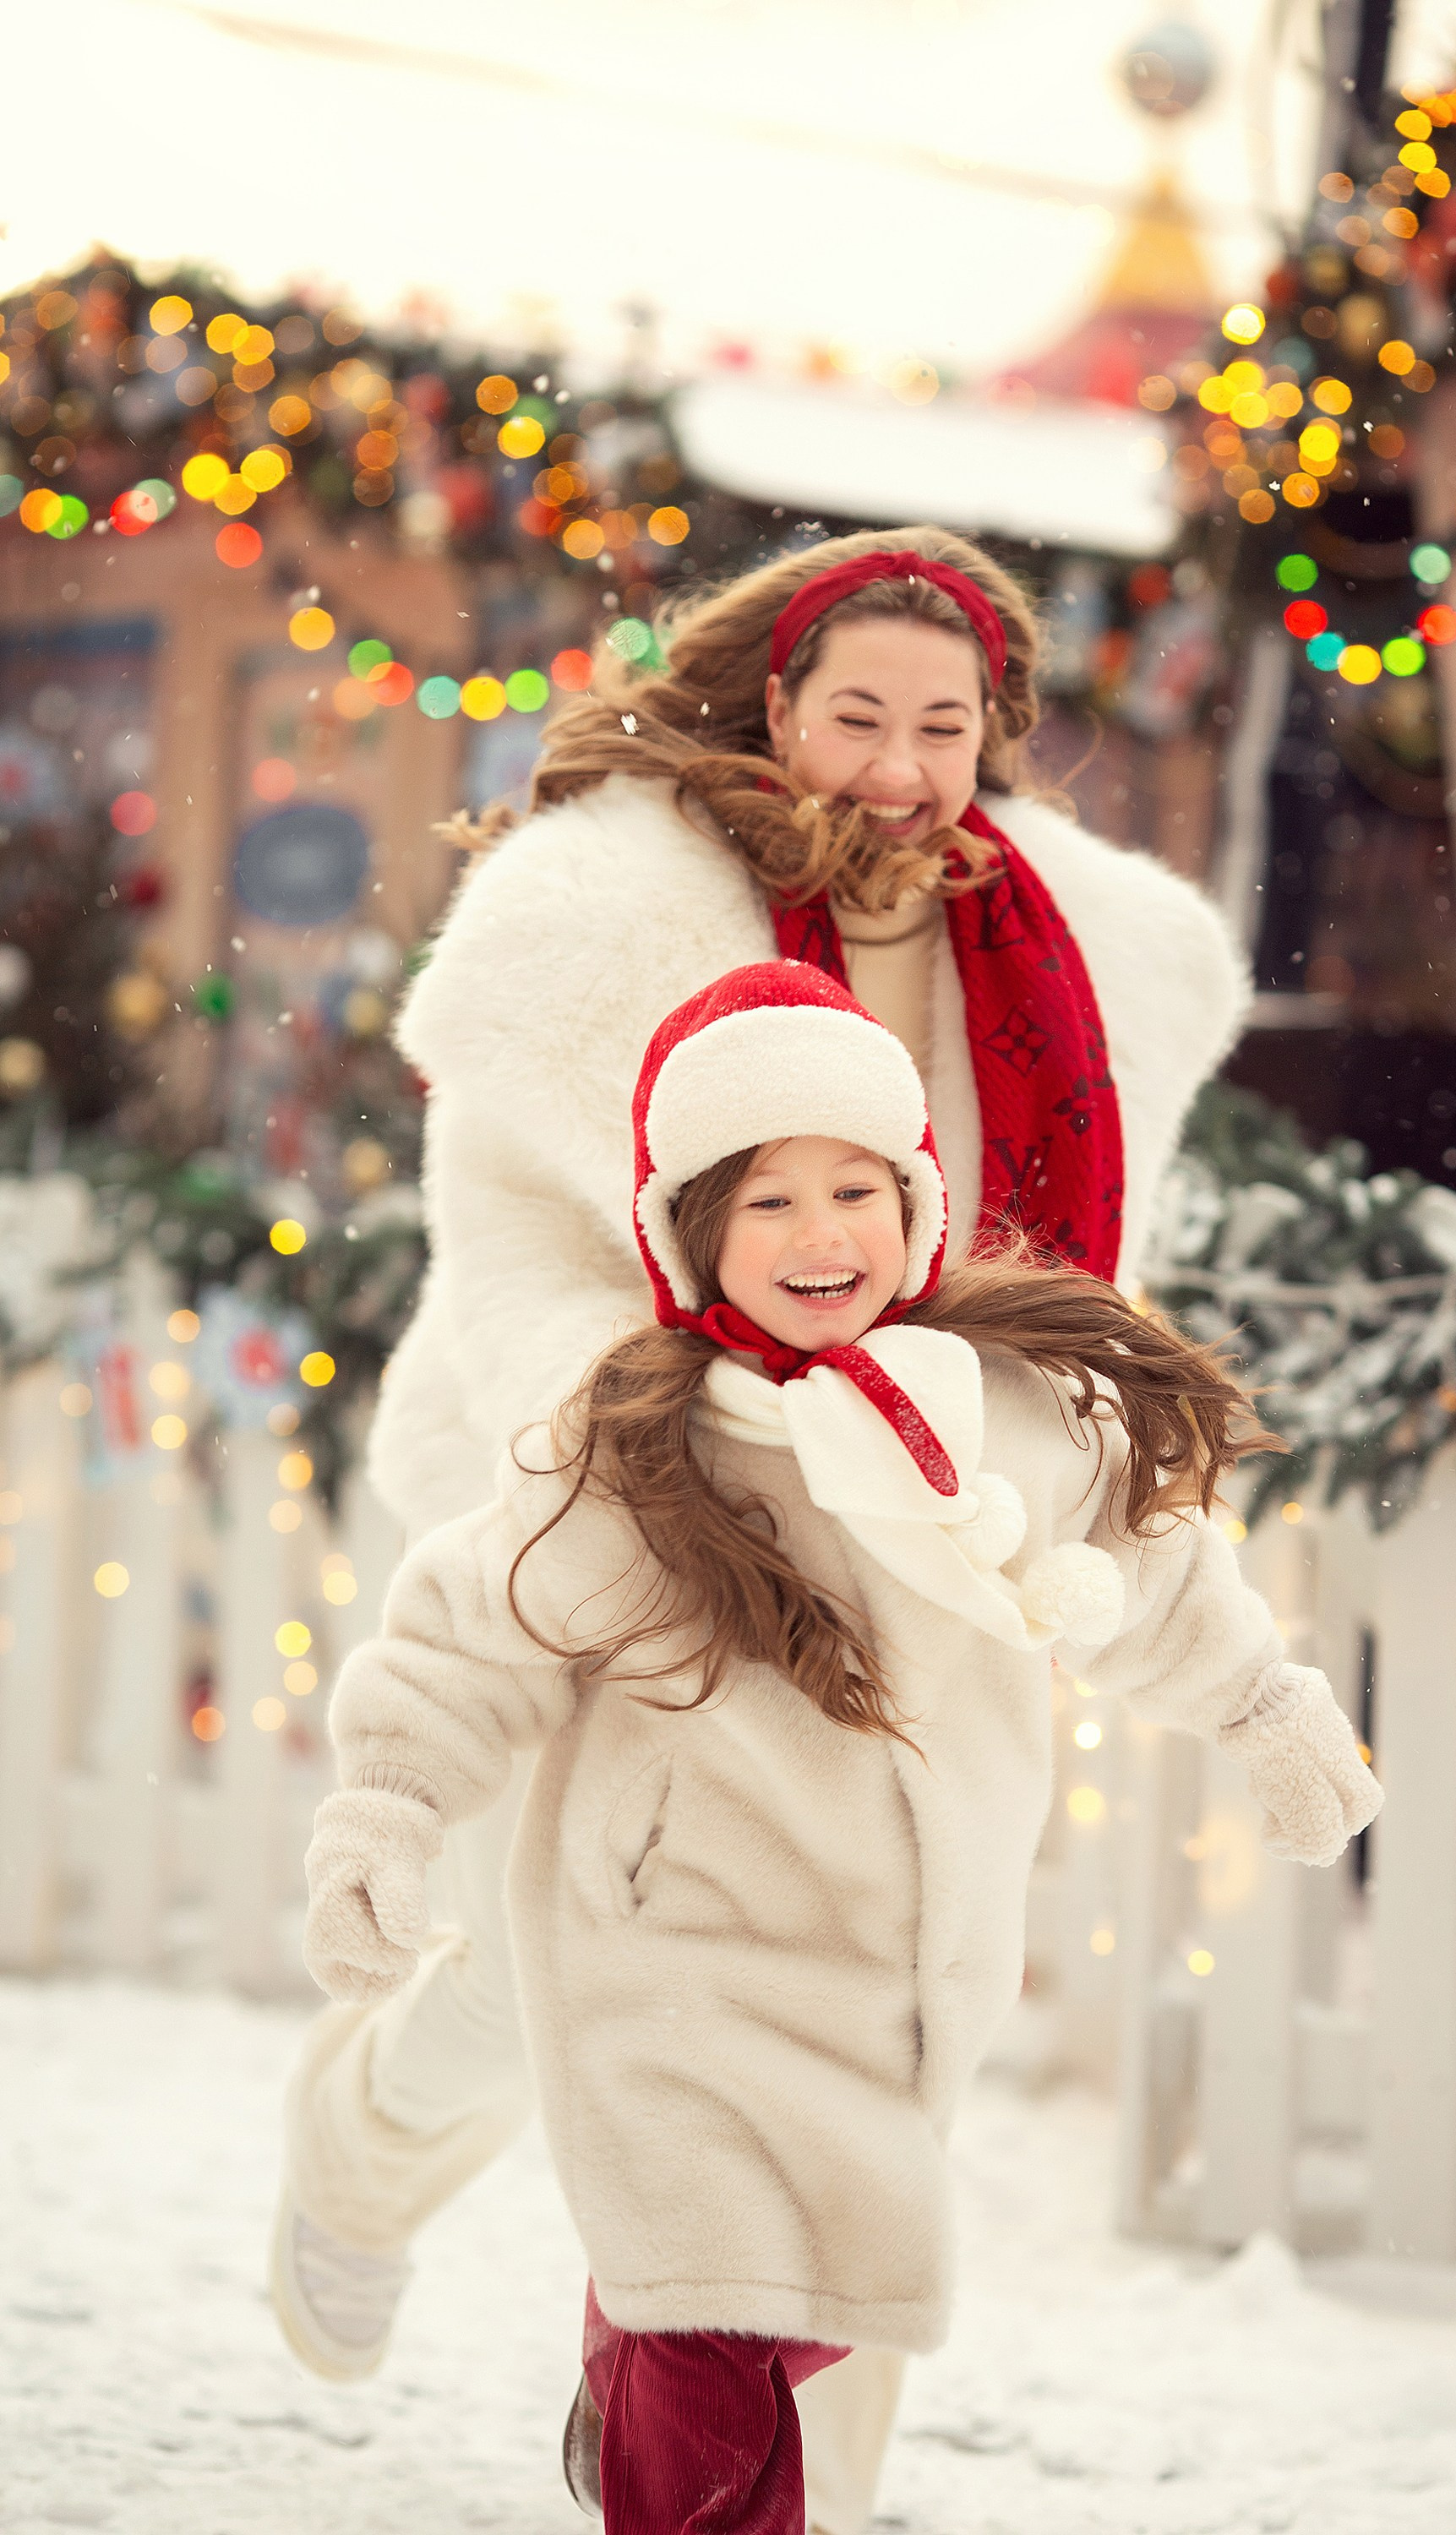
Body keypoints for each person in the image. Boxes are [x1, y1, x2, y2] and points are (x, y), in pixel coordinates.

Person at [270, 526, 1254, 2531]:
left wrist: (1018, 1456)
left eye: (944, 726)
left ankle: (817, 2485)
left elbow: (1049, 1262)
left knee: (878, 2010)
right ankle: (358, 2158)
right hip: (645, 1489)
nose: (898, 766)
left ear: (995, 735)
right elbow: (514, 1248)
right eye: (857, 716)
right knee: (559, 1971)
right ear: (774, 707)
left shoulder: (1067, 957)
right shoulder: (601, 925)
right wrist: (663, 1444)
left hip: (913, 1515)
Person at [300, 963, 1381, 2535]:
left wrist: (1264, 1705)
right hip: (670, 1960)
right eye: (771, 1201)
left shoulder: (1009, 1417)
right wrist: (388, 1808)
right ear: (695, 1237)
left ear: (917, 1205)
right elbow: (474, 1628)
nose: (822, 1233)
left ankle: (632, 2354)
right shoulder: (645, 1451)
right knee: (710, 2325)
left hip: (901, 1977)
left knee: (806, 2292)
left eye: (856, 1190)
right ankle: (662, 2391)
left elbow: (1148, 1574)